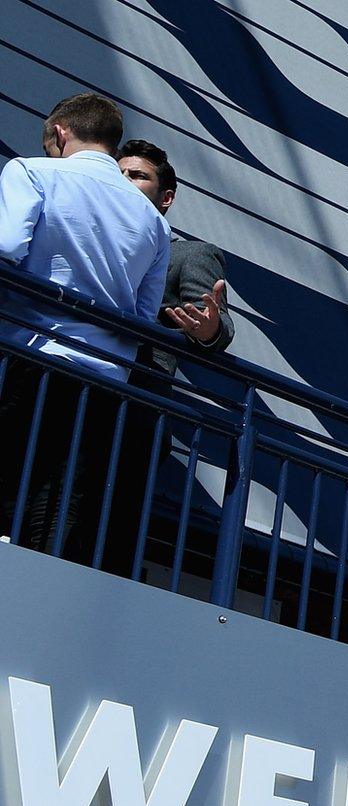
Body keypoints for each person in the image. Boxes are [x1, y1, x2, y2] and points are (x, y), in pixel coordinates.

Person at [1, 94, 171, 564]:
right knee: (57, 504)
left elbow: (8, 245)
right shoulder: (154, 223)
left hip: (32, 357)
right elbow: (143, 316)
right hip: (105, 381)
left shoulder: (32, 172)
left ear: (59, 133)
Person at [114, 140, 232, 376]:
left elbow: (215, 323)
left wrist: (209, 329)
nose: (123, 180)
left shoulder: (190, 254)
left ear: (166, 198)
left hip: (133, 390)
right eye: (118, 173)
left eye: (137, 175)